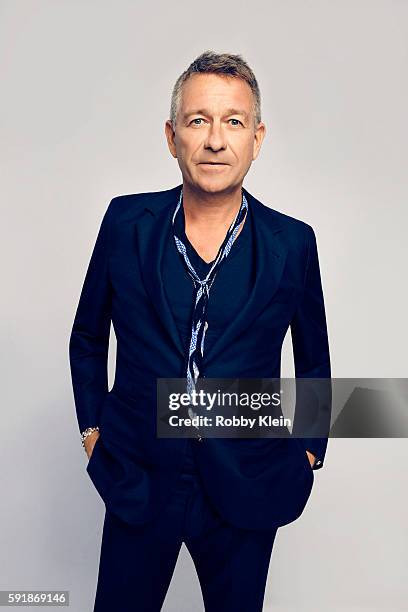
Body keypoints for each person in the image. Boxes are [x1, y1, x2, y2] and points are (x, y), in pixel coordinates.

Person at [69, 50, 331, 612]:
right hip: (138, 477)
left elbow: (314, 360)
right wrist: (92, 432)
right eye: (198, 120)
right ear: (172, 136)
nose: (216, 140)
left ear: (256, 138)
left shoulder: (293, 244)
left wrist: (309, 450)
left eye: (233, 122)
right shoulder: (125, 224)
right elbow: (88, 336)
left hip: (247, 483)